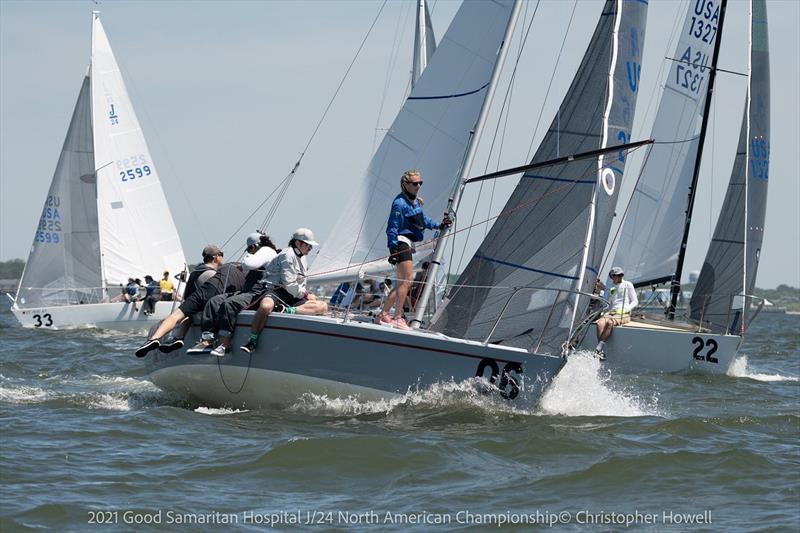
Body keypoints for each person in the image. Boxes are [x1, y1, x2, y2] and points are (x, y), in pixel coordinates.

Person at [134, 244, 245, 356]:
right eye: (221, 254)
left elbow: (188, 296)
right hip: (206, 308)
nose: (222, 257)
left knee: (182, 314)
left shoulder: (195, 272)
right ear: (216, 257)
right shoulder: (212, 274)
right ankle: (189, 338)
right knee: (193, 313)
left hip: (193, 305)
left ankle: (163, 338)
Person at [232, 228, 328, 355]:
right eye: (308, 245)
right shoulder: (286, 255)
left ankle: (285, 310)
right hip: (276, 291)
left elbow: (300, 284)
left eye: (311, 246)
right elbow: (289, 284)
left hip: (292, 295)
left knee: (323, 306)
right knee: (266, 307)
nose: (310, 248)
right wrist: (305, 294)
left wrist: (306, 294)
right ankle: (252, 340)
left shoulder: (303, 257)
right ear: (298, 243)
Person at [378, 170, 450, 329]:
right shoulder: (399, 203)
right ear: (405, 185)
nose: (418, 186)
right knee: (407, 281)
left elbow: (423, 220)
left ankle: (383, 314)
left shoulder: (415, 202)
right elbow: (392, 227)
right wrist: (393, 249)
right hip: (401, 243)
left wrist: (439, 225)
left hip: (409, 243)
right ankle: (397, 316)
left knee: (403, 283)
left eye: (420, 183)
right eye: (415, 183)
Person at [186, 232, 278, 354]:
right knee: (214, 301)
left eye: (250, 249)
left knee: (229, 304)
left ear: (255, 246)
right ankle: (207, 341)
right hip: (247, 292)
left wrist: (245, 263)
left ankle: (225, 344)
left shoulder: (267, 252)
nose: (249, 253)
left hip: (258, 294)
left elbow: (250, 263)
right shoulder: (259, 255)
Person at [594, 266, 638, 359]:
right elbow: (605, 301)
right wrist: (602, 294)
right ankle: (600, 352)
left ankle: (599, 348)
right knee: (599, 324)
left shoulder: (628, 284)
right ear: (612, 276)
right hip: (611, 312)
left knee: (610, 323)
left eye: (621, 275)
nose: (619, 277)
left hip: (624, 313)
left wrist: (627, 309)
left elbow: (635, 301)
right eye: (617, 275)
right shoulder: (610, 287)